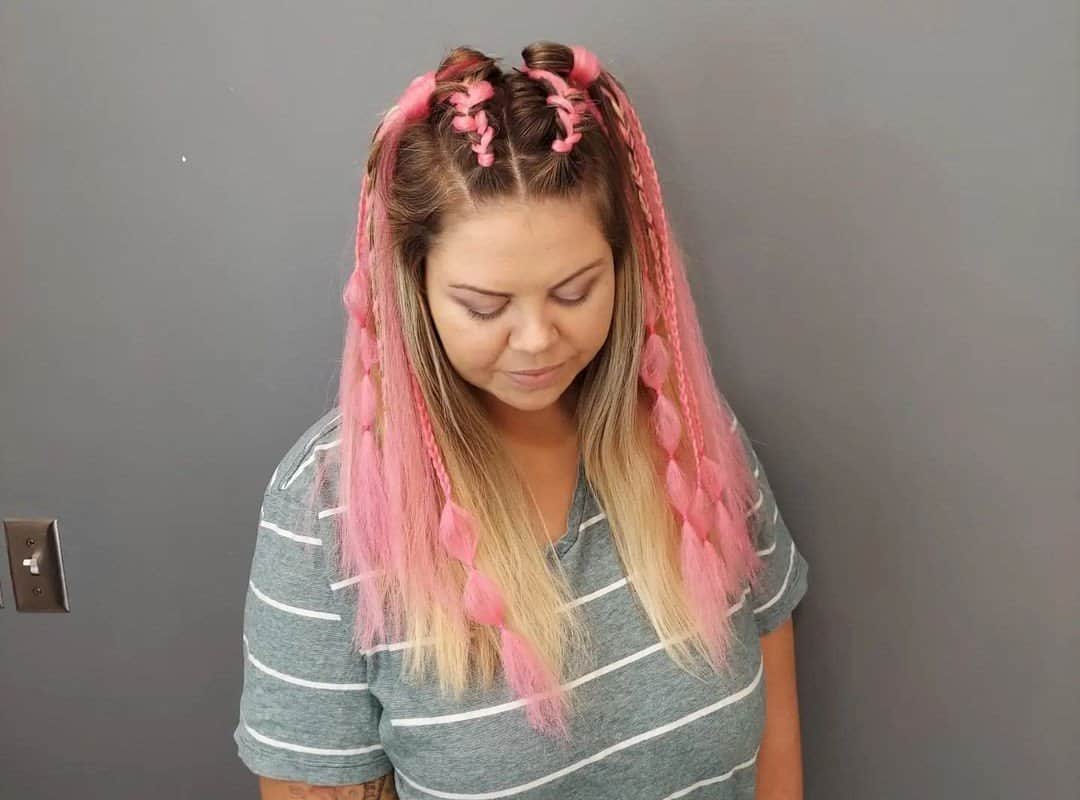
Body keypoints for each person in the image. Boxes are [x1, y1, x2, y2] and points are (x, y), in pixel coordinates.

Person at [234, 41, 810, 800]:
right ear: (415, 290)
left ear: (626, 266)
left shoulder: (696, 444)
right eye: (485, 306)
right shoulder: (327, 511)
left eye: (575, 292)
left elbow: (777, 737)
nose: (538, 340)